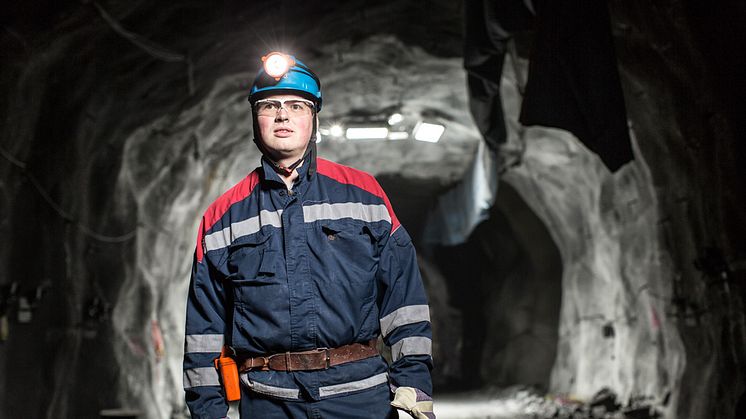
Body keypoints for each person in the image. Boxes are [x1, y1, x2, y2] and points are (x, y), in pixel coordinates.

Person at [182, 51, 435, 419]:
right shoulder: (222, 217)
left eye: (297, 106)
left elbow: (404, 299)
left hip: (361, 398)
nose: (283, 114)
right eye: (270, 105)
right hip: (269, 402)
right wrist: (209, 413)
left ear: (313, 119)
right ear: (255, 119)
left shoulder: (364, 195)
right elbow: (203, 331)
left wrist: (414, 385)